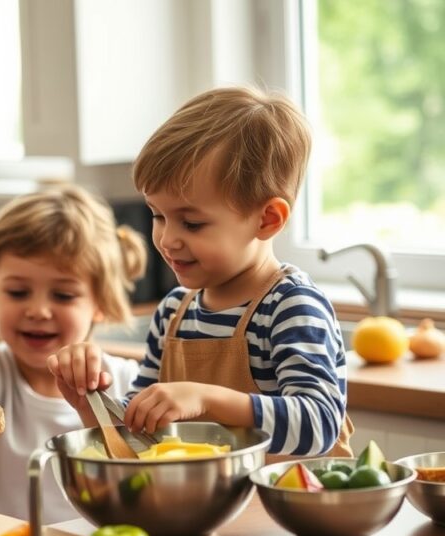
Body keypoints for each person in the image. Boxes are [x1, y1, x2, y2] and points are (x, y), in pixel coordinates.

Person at [49, 86, 354, 459]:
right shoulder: (173, 313)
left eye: (191, 223)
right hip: (210, 511)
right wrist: (90, 403)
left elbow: (320, 423)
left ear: (267, 219)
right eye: (158, 215)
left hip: (292, 513)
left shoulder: (290, 307)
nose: (167, 239)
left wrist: (205, 398)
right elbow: (138, 438)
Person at [0, 186, 148, 524]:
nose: (38, 310)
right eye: (18, 292)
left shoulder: (127, 379)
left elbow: (145, 479)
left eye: (63, 295)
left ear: (100, 305)